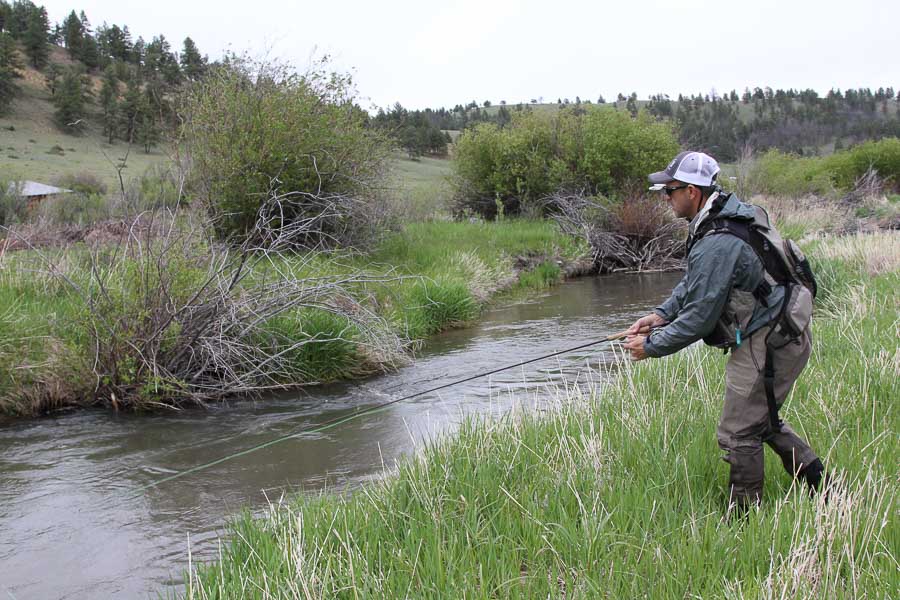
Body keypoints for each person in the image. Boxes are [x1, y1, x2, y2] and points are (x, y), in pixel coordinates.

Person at [622, 150, 826, 510]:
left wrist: (651, 346)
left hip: (771, 339)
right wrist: (660, 315)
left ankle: (744, 519)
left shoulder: (717, 240)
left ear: (692, 192)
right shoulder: (723, 215)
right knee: (761, 421)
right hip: (780, 330)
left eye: (669, 190)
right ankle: (822, 486)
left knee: (737, 432)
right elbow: (697, 284)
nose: (666, 197)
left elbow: (700, 317)